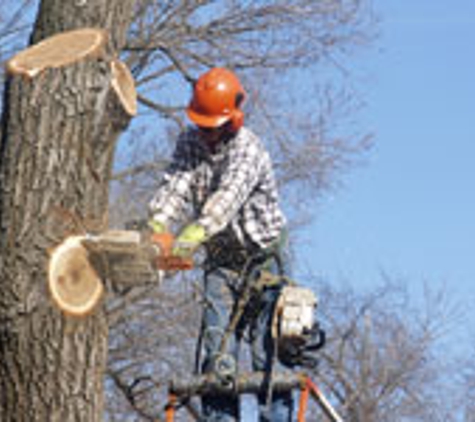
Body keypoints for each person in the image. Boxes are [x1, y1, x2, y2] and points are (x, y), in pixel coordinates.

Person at [149, 67, 293, 421]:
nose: (207, 133)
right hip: (221, 261)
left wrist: (189, 238)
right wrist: (157, 225)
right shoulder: (189, 141)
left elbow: (226, 200)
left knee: (266, 353)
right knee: (216, 352)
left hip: (263, 258)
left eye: (212, 127)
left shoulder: (248, 150)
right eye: (202, 125)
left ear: (233, 118)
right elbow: (176, 185)